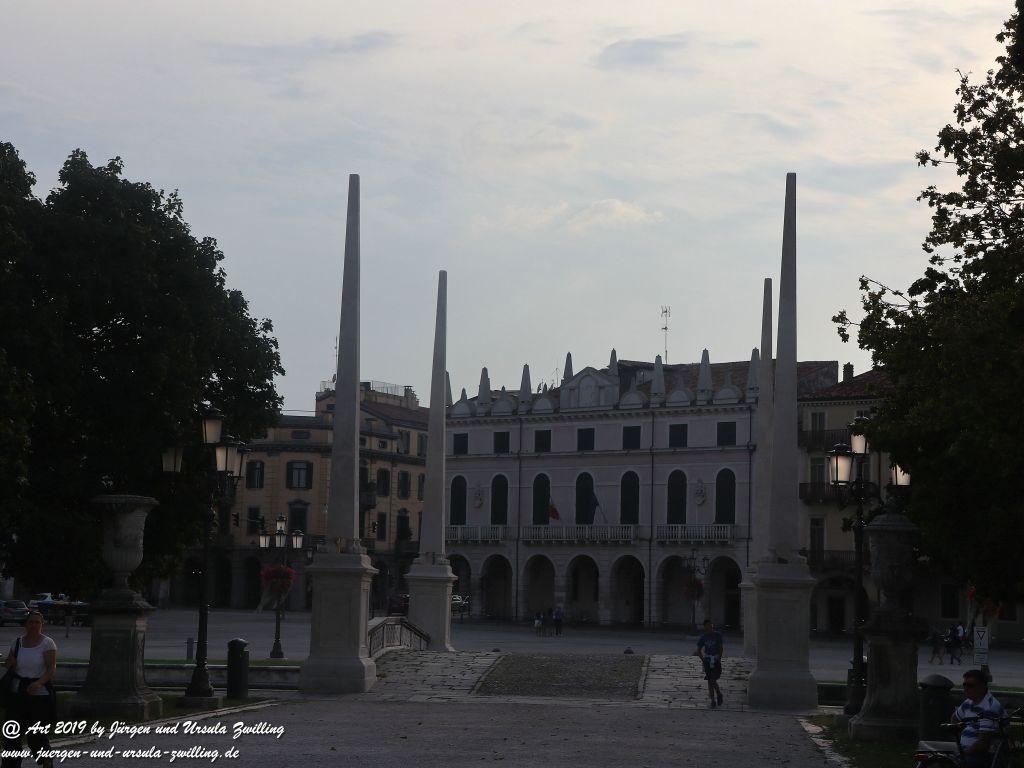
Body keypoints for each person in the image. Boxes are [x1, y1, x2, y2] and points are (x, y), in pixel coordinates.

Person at [2, 611, 57, 768]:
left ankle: (46, 760)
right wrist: (6, 662)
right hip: (17, 692)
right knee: (11, 733)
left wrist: (39, 683)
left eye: (37, 622)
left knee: (37, 734)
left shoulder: (47, 643)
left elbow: (51, 668)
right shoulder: (17, 643)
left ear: (42, 625)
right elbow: (9, 664)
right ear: (26, 624)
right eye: (31, 622)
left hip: (38, 693)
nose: (34, 625)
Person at [953, 669, 1006, 767]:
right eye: (964, 685)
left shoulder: (989, 708)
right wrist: (960, 733)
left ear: (982, 687)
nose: (966, 689)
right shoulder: (968, 702)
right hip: (965, 751)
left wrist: (962, 753)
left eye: (970, 685)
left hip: (982, 756)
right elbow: (955, 718)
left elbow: (982, 745)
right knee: (930, 753)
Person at [696, 619, 724, 709]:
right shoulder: (703, 637)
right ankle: (712, 700)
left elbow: (721, 647)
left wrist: (719, 658)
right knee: (709, 681)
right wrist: (703, 659)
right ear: (705, 627)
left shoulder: (717, 635)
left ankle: (719, 694)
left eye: (711, 624)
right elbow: (699, 649)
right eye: (707, 625)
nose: (710, 626)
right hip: (708, 660)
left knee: (713, 680)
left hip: (715, 660)